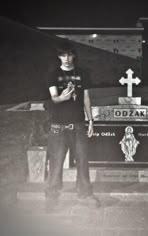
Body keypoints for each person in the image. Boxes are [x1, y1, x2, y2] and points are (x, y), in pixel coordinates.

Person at [45, 41, 100, 209]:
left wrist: (90, 120)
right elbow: (54, 98)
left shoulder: (83, 73)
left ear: (74, 55)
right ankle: (52, 198)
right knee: (56, 163)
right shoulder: (53, 74)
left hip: (78, 125)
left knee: (83, 161)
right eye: (63, 55)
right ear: (58, 56)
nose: (66, 59)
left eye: (69, 55)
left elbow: (86, 98)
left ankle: (85, 195)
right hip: (58, 127)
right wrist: (62, 98)